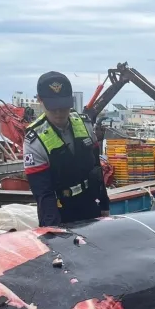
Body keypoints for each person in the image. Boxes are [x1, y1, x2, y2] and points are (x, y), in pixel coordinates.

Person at [23, 71, 109, 227]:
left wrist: (104, 204)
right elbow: (43, 193)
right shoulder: (35, 140)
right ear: (40, 100)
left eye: (63, 107)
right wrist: (53, 230)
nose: (59, 113)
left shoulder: (84, 124)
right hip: (59, 211)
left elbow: (96, 168)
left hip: (90, 205)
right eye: (53, 107)